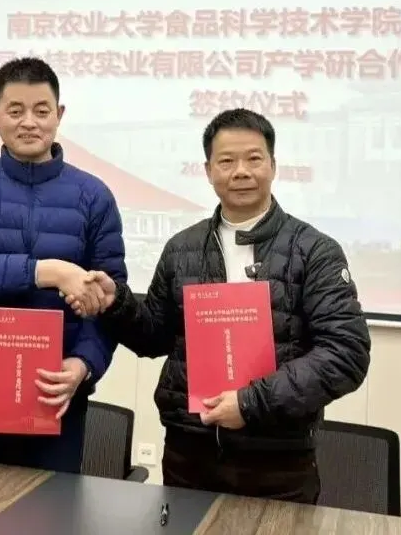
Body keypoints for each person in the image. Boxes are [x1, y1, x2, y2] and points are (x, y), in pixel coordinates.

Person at [65, 108, 370, 504]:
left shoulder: (314, 251)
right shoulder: (182, 248)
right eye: (226, 161)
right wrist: (116, 302)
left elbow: (346, 353)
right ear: (209, 171)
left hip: (278, 459)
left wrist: (250, 403)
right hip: (189, 453)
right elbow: (154, 336)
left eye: (253, 158)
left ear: (273, 165)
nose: (240, 171)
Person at [0, 56, 124, 473]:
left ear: (59, 114)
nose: (29, 122)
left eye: (41, 110)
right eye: (15, 111)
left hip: (56, 397)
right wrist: (50, 271)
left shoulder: (94, 196)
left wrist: (84, 364)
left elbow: (110, 299)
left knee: (50, 508)